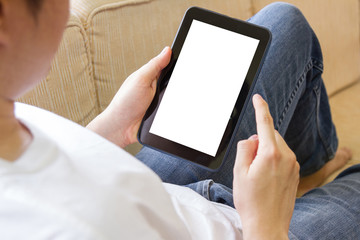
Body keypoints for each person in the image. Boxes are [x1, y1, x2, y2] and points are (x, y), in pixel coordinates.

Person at [0, 0, 358, 239]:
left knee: (284, 21)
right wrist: (266, 225)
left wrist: (110, 127)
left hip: (158, 194)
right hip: (241, 228)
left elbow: (44, 174)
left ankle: (310, 169)